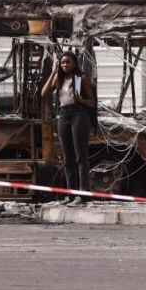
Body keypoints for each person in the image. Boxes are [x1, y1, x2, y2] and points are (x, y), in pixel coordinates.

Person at [41, 51, 94, 207]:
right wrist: (53, 71)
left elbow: (92, 102)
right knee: (67, 157)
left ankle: (83, 194)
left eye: (68, 62)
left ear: (74, 63)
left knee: (80, 156)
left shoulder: (81, 79)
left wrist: (81, 99)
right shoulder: (60, 78)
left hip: (79, 113)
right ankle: (71, 193)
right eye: (63, 63)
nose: (65, 65)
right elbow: (44, 93)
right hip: (64, 114)